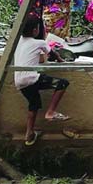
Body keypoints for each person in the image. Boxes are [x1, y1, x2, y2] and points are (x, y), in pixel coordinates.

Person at [14, 16, 70, 146]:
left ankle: (29, 134)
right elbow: (53, 54)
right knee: (62, 83)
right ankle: (50, 112)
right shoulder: (39, 43)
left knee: (34, 104)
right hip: (31, 79)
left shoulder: (18, 42)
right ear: (35, 30)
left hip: (19, 81)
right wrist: (61, 60)